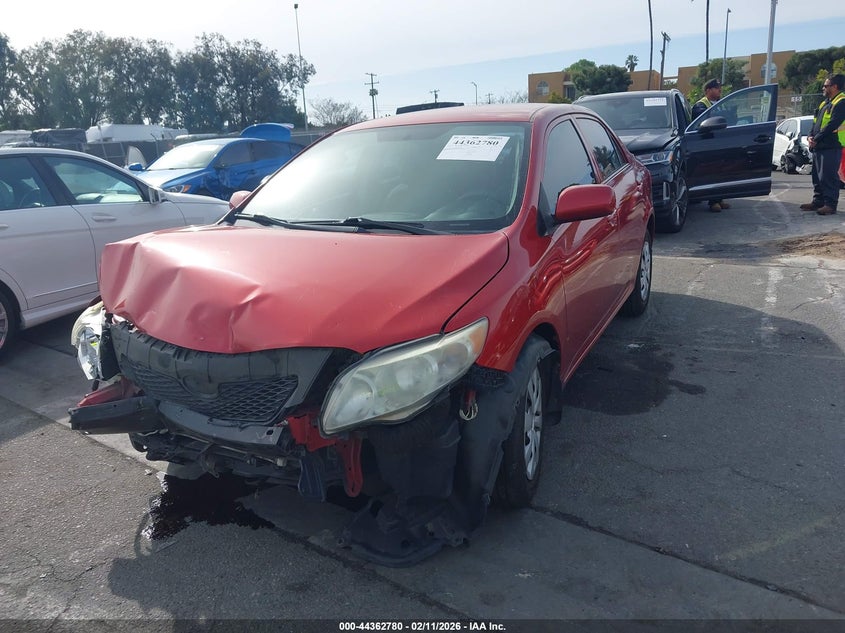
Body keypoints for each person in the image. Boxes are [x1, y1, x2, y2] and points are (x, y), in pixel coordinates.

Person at [800, 74, 845, 215]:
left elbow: (833, 124)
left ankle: (830, 205)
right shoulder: (824, 103)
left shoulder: (841, 102)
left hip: (832, 145)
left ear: (835, 87)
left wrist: (817, 138)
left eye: (826, 85)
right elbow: (815, 122)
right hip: (819, 145)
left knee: (828, 176)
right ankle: (818, 201)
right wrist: (810, 136)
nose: (823, 88)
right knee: (817, 176)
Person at [692, 79, 731, 212]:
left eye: (719, 87)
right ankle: (713, 201)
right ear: (708, 90)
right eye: (716, 88)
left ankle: (719, 199)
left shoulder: (720, 104)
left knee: (722, 172)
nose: (719, 90)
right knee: (712, 172)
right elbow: (703, 121)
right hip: (708, 144)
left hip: (720, 143)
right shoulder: (700, 105)